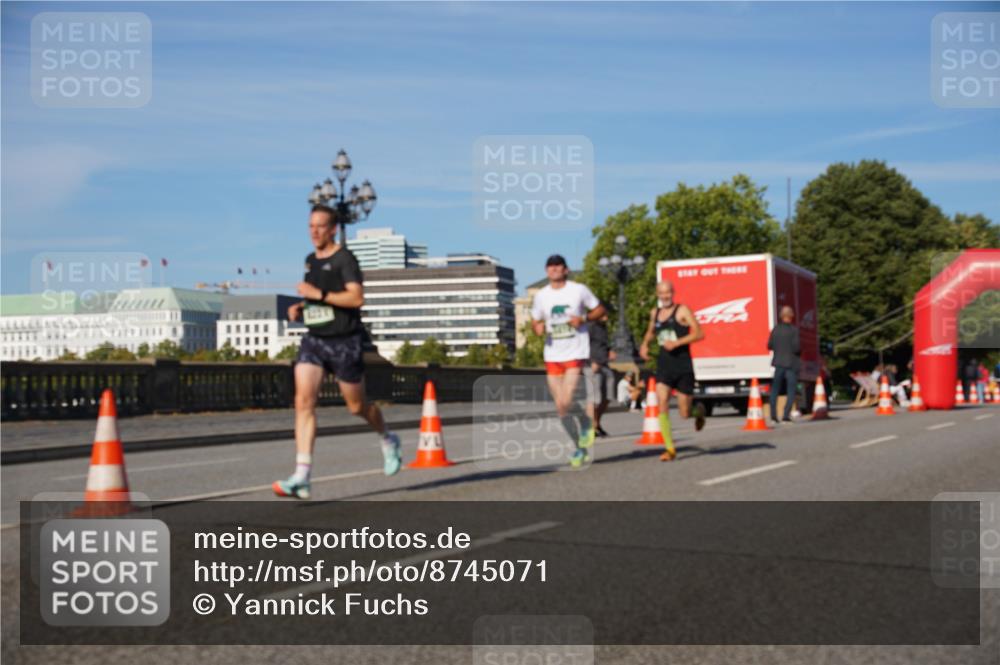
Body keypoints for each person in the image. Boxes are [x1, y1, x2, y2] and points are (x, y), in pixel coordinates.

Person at [273, 205, 402, 500]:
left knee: (357, 407)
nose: (314, 232)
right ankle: (302, 474)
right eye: (310, 226)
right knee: (303, 401)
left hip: (345, 341)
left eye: (320, 226)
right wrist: (301, 307)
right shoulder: (310, 261)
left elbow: (356, 298)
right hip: (315, 340)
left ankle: (387, 438)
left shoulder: (345, 259)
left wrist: (316, 295)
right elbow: (319, 298)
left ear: (333, 229)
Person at [530, 255, 606, 468]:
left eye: (558, 266)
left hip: (575, 352)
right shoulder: (541, 296)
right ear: (546, 271)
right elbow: (535, 321)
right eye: (550, 267)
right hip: (552, 354)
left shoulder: (578, 290)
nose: (554, 270)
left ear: (566, 270)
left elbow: (600, 310)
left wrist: (583, 319)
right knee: (561, 408)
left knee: (566, 399)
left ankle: (584, 427)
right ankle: (579, 445)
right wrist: (536, 327)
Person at [639, 280, 706, 462]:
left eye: (667, 293)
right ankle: (670, 449)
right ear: (657, 294)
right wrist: (645, 344)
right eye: (661, 293)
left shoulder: (682, 310)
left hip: (683, 365)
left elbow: (700, 333)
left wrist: (677, 343)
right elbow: (651, 332)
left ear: (673, 293)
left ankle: (698, 411)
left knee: (684, 413)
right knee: (662, 401)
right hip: (664, 365)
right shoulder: (655, 313)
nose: (665, 296)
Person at [767, 305, 801, 424]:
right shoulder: (794, 330)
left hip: (778, 362)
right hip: (791, 363)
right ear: (791, 316)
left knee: (775, 390)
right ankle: (786, 415)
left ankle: (773, 416)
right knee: (790, 390)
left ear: (781, 317)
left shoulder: (775, 329)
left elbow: (769, 345)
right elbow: (797, 348)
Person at [588, 304, 616, 437]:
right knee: (596, 398)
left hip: (605, 364)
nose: (606, 317)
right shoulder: (590, 326)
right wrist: (591, 361)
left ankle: (597, 424)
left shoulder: (603, 327)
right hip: (593, 365)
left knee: (608, 397)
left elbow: (603, 343)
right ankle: (591, 426)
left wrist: (609, 350)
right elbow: (582, 345)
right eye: (604, 314)